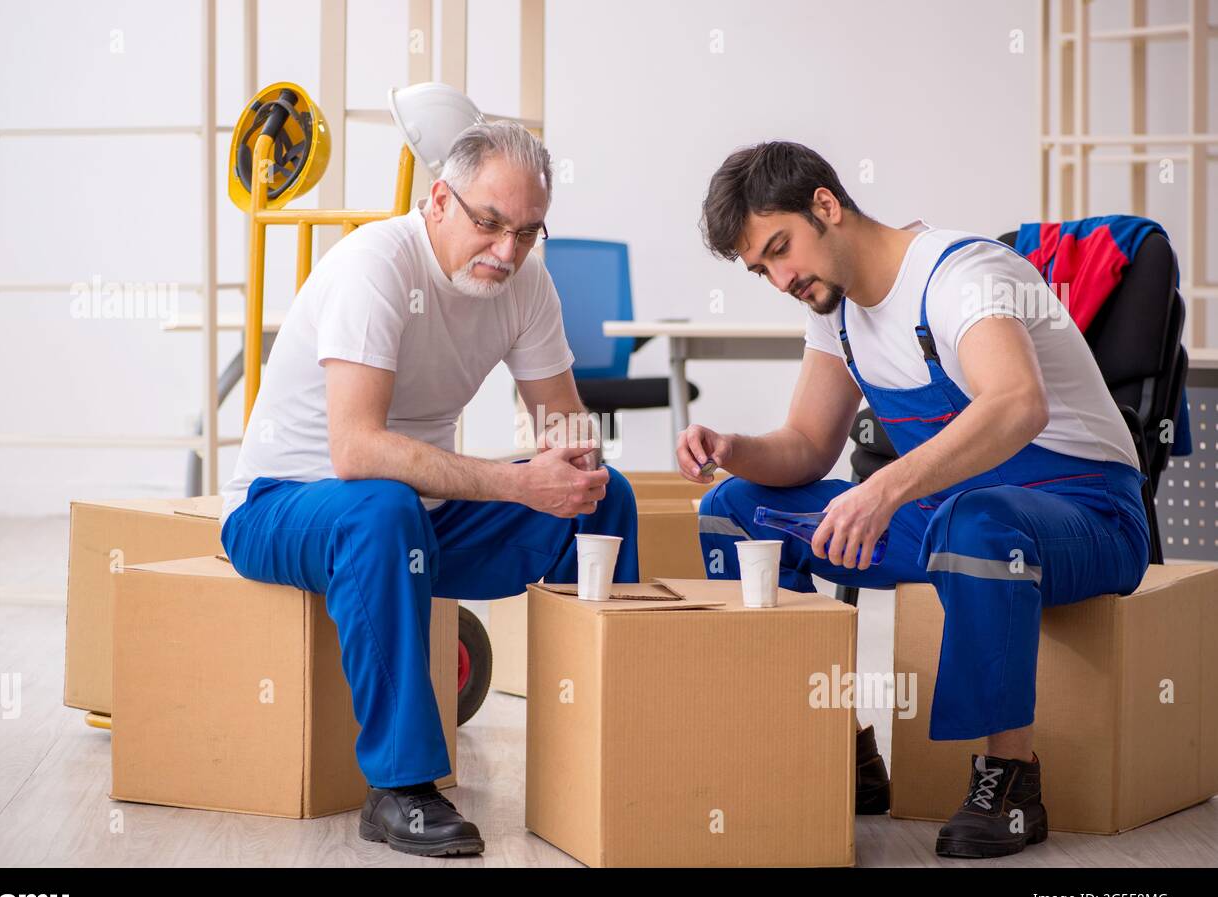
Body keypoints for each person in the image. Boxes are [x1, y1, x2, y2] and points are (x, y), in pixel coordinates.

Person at [685, 141, 1149, 858]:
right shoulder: (832, 311)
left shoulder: (961, 276)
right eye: (761, 269)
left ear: (827, 205)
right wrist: (731, 447)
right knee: (737, 509)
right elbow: (808, 445)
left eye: (781, 248)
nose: (780, 278)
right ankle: (839, 752)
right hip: (954, 512)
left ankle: (1012, 783)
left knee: (978, 520)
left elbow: (1018, 404)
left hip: (1087, 512)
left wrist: (886, 487)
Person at [220, 121, 638, 858]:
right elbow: (356, 450)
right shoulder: (375, 267)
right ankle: (399, 788)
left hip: (415, 517)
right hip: (286, 503)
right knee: (382, 508)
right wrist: (516, 483)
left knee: (605, 499)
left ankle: (608, 742)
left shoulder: (525, 283)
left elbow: (565, 418)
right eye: (490, 223)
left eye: (528, 232)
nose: (507, 252)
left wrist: (574, 459)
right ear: (439, 199)